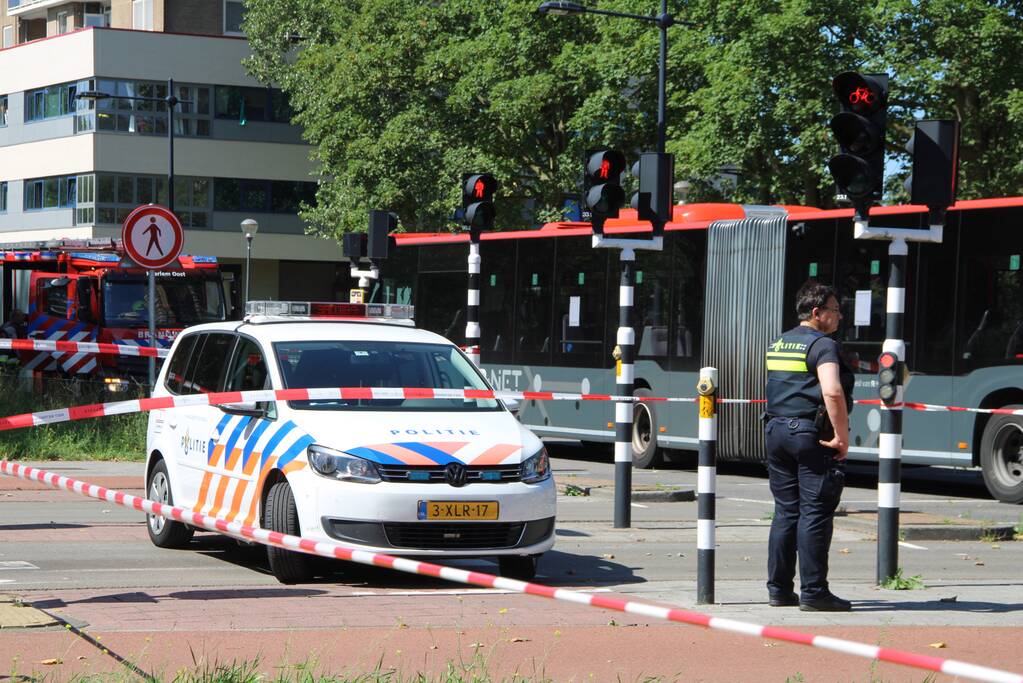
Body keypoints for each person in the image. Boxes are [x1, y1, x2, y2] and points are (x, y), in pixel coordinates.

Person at [763, 281, 854, 612]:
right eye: (835, 310)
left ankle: (779, 589)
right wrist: (841, 435)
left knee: (786, 511)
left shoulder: (779, 342)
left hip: (775, 431)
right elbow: (832, 391)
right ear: (817, 313)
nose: (839, 316)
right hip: (809, 434)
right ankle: (814, 591)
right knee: (815, 512)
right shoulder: (822, 345)